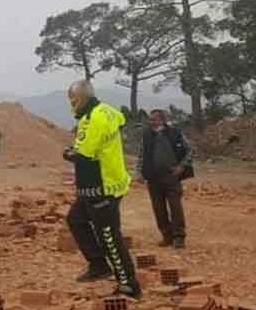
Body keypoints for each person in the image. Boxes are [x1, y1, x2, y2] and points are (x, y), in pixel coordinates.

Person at [62, 80, 142, 299]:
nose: (71, 104)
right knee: (76, 220)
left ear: (81, 98)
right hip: (96, 186)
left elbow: (84, 155)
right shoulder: (106, 111)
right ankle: (98, 265)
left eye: (73, 99)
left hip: (102, 187)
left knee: (109, 237)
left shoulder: (93, 119)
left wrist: (68, 153)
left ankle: (129, 285)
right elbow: (114, 128)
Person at [137, 109, 192, 249]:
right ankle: (166, 236)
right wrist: (139, 173)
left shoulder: (175, 133)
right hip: (153, 178)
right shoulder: (146, 135)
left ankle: (179, 237)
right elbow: (141, 155)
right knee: (158, 209)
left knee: (175, 208)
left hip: (171, 177)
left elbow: (189, 150)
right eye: (150, 120)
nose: (151, 122)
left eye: (154, 119)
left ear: (162, 120)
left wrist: (181, 167)